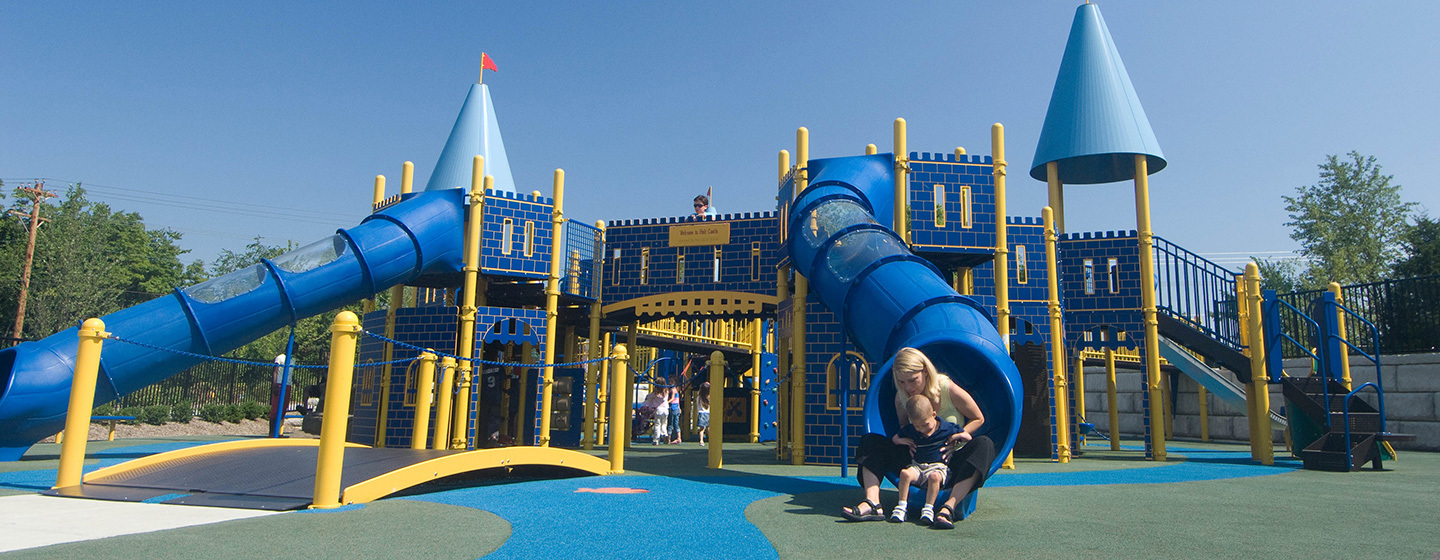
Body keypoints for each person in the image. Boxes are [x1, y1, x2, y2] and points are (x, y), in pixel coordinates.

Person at [840, 347, 994, 530]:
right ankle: (873, 503)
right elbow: (905, 428)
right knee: (870, 440)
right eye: (902, 382)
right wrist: (904, 441)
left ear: (926, 372)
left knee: (985, 444)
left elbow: (978, 418)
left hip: (949, 462)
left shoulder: (946, 388)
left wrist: (959, 436)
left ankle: (948, 508)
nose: (908, 387)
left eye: (913, 380)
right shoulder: (902, 398)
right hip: (917, 462)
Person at [889, 395, 963, 524]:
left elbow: (967, 436)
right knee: (905, 473)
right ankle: (901, 507)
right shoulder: (912, 430)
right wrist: (903, 441)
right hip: (918, 466)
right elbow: (895, 439)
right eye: (917, 426)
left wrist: (956, 438)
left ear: (934, 414)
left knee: (934, 477)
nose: (922, 429)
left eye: (925, 424)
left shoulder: (946, 428)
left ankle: (928, 509)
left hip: (937, 466)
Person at [667, 380, 682, 444]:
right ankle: (679, 438)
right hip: (677, 408)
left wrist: (666, 402)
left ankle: (669, 439)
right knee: (676, 424)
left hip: (673, 408)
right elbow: (677, 401)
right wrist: (679, 408)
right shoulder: (677, 390)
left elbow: (672, 399)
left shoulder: (673, 390)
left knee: (670, 424)